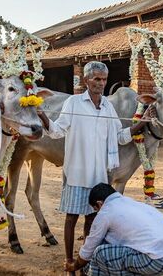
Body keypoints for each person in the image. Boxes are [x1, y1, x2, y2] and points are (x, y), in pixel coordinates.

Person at [37, 61, 154, 273]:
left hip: (99, 176)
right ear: (86, 81)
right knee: (71, 218)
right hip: (76, 173)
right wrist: (43, 116)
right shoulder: (73, 103)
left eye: (103, 80)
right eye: (96, 79)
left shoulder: (108, 106)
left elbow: (120, 136)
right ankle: (68, 261)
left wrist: (141, 123)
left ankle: (84, 262)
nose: (100, 83)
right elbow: (57, 131)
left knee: (91, 221)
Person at [64, 183, 163, 275]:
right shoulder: (132, 203)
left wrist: (74, 266)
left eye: (96, 209)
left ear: (100, 203)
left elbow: (88, 251)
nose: (97, 212)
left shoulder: (105, 212)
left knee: (99, 254)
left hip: (159, 259)